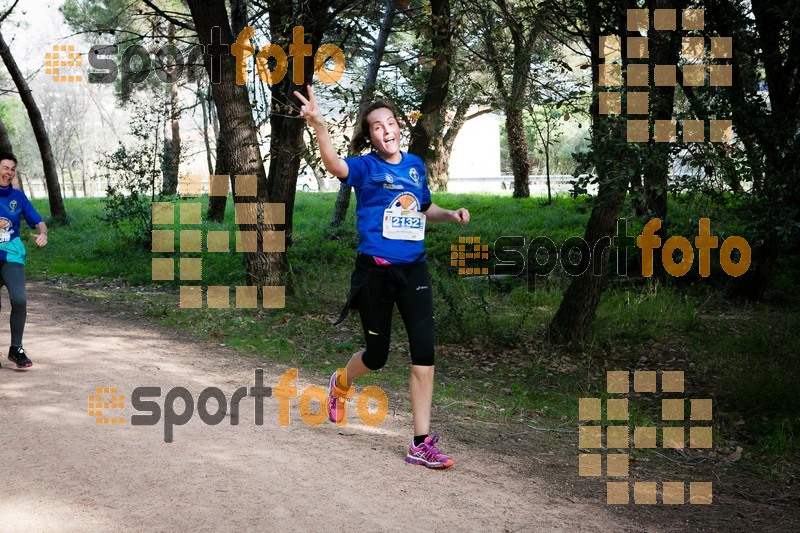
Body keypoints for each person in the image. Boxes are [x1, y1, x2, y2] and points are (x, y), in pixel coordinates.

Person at [294, 86, 470, 468]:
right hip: (374, 272)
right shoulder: (366, 167)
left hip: (414, 269)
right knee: (377, 355)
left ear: (399, 128)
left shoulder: (415, 166)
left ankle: (420, 443)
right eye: (377, 126)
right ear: (369, 136)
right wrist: (320, 126)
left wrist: (451, 214)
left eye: (390, 123)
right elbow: (335, 167)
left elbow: (424, 208)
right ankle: (340, 384)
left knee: (424, 352)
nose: (386, 130)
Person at [0, 152, 48, 369]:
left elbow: (38, 221)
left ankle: (15, 348)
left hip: (12, 254)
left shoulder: (18, 197)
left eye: (12, 169)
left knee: (19, 300)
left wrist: (42, 233)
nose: (8, 172)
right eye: (4, 167)